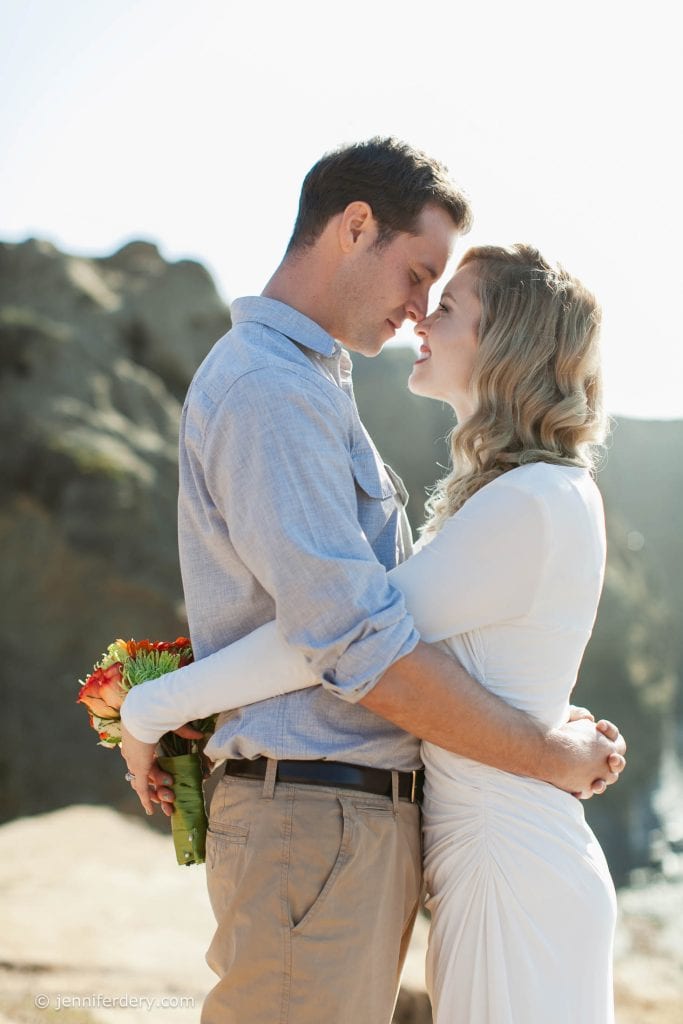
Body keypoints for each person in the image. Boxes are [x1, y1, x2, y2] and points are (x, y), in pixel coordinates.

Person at [121, 140, 625, 1024]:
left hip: (371, 827)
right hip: (316, 814)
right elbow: (349, 633)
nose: (420, 310)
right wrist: (149, 708)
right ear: (356, 228)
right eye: (420, 274)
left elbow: (383, 626)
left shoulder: (323, 388)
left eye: (445, 297)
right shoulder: (271, 389)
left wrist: (545, 722)